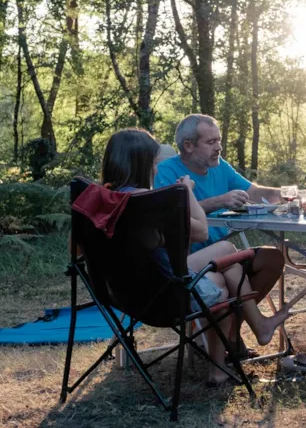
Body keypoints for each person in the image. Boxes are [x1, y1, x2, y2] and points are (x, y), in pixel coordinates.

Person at [103, 128, 289, 387]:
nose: (157, 171)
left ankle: (234, 351)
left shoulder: (100, 201)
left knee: (225, 267)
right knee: (224, 259)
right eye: (153, 164)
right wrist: (186, 192)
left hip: (121, 293)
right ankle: (230, 355)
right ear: (141, 163)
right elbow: (200, 231)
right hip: (164, 291)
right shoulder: (145, 203)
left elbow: (78, 252)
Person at [154, 114, 288, 357]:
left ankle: (231, 334)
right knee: (229, 262)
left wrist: (291, 194)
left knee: (273, 258)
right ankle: (227, 339)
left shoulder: (220, 166)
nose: (218, 147)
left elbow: (255, 192)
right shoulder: (165, 172)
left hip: (223, 259)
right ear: (188, 146)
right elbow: (173, 217)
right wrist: (220, 201)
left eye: (219, 141)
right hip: (190, 262)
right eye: (211, 142)